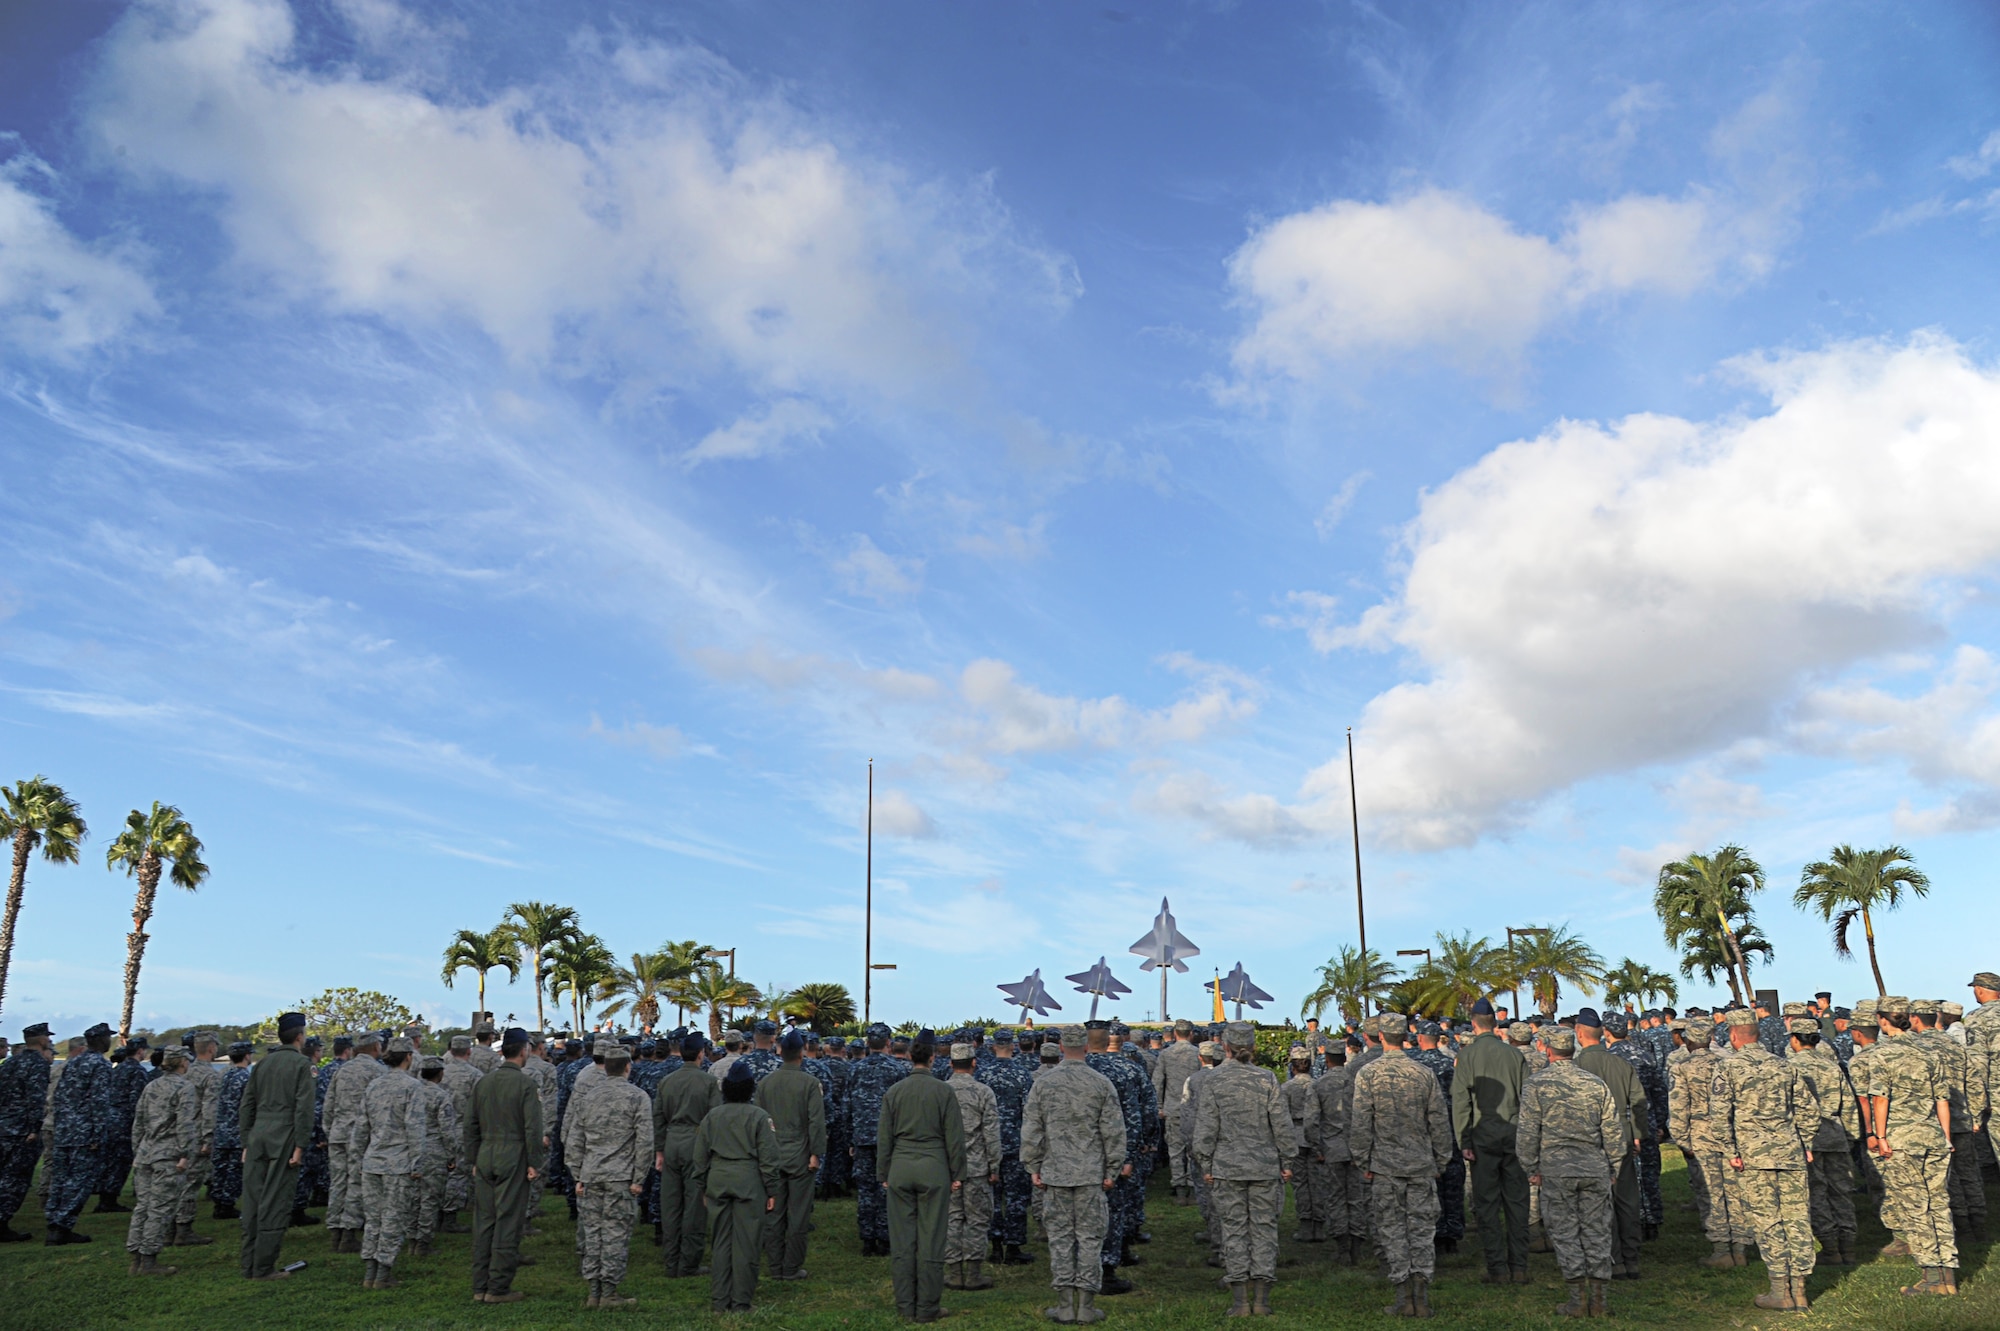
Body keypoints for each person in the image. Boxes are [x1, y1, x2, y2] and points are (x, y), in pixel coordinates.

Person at [1711, 1007, 1818, 1312]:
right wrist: (1805, 1142)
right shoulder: (1785, 1066)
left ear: (1733, 1036)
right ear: (1756, 1035)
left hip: (1753, 1157)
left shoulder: (1728, 1068)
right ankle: (1799, 1290)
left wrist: (1731, 1152)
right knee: (1797, 1219)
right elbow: (1809, 1111)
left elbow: (1720, 1117)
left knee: (1768, 1222)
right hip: (1790, 1153)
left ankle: (1779, 1291)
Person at [1351, 1013, 1452, 1319]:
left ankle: (1403, 1297)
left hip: (1385, 1165)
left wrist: (1363, 1159)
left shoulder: (1368, 1074)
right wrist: (1441, 1159)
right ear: (1406, 1037)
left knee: (1393, 1231)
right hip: (1421, 1163)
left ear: (1381, 1036)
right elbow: (1438, 1120)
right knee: (1421, 1231)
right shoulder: (1423, 1072)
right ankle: (1420, 1298)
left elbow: (1360, 1123)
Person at [1022, 1024, 1124, 1326]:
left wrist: (1033, 1166)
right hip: (1090, 1174)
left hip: (1055, 1173)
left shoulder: (1044, 1083)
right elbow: (1114, 1133)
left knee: (1061, 1239)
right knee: (1090, 1240)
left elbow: (1032, 1129)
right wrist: (1112, 1170)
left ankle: (1065, 1305)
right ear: (1087, 1048)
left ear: (1062, 1047)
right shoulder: (1101, 1083)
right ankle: (1086, 1306)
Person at [1518, 1026, 1623, 1318]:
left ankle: (1577, 1299)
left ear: (1548, 1050)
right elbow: (1612, 1130)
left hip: (1556, 1169)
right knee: (1598, 1230)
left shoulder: (1536, 1084)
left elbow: (1527, 1133)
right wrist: (1614, 1165)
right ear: (1573, 1050)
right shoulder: (1595, 1084)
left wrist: (1530, 1167)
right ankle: (1599, 1299)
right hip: (1594, 1167)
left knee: (1565, 1233)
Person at [1866, 996, 1957, 1297]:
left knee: (1916, 1210)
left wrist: (1880, 1137)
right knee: (1938, 1206)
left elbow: (1881, 1098)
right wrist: (1945, 1138)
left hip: (1902, 1141)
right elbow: (1942, 1099)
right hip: (1933, 1138)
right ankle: (1948, 1277)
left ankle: (1932, 1279)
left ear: (1882, 1020)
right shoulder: (1930, 1052)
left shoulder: (1882, 1055)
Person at [877, 1034, 966, 1323]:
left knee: (903, 1242)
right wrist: (958, 1173)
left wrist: (884, 1172)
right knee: (931, 1240)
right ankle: (927, 1307)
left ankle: (905, 1305)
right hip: (934, 1168)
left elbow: (884, 1138)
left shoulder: (894, 1092)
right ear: (932, 1059)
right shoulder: (943, 1091)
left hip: (900, 1168)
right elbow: (954, 1137)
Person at [568, 1045, 653, 1308]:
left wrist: (577, 1174)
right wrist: (639, 1178)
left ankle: (594, 1292)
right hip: (621, 1177)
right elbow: (645, 1141)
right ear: (628, 1067)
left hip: (591, 1174)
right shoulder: (638, 1097)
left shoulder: (589, 1097)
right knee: (615, 1235)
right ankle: (609, 1293)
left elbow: (574, 1139)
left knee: (593, 1234)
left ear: (605, 1067)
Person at [1451, 999, 1529, 1284]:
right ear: (1495, 1024)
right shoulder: (1514, 1055)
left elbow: (1461, 1102)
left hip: (1482, 1136)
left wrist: (1464, 1140)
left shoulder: (1467, 1056)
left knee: (1486, 1204)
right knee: (1517, 1202)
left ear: (1473, 1024)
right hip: (1514, 1134)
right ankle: (1519, 1267)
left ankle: (1497, 1268)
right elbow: (1528, 1099)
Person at [466, 1026, 546, 1304]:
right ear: (524, 1050)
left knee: (484, 1221)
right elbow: (533, 1128)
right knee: (508, 1222)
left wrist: (474, 1158)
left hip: (486, 1153)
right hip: (513, 1154)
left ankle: (480, 1285)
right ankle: (498, 1287)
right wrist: (535, 1161)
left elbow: (470, 1126)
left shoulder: (483, 1082)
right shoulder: (526, 1084)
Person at [694, 1061, 779, 1315]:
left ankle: (720, 1301)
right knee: (747, 1244)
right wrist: (772, 1189)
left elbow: (699, 1157)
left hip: (718, 1180)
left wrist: (702, 1186)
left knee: (720, 1242)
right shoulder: (759, 1117)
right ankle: (741, 1302)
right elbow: (769, 1157)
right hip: (749, 1182)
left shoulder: (712, 1117)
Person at [237, 1013, 315, 1279]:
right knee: (275, 1202)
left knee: (253, 1202)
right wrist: (301, 1145)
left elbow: (247, 1105)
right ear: (299, 1036)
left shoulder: (262, 1064)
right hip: (284, 1135)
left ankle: (249, 1264)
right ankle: (263, 1268)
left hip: (259, 1133)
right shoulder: (302, 1065)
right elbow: (304, 1108)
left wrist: (246, 1140)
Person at [1572, 1009, 1646, 1280]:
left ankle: (1612, 1258)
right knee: (1627, 1199)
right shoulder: (1621, 1064)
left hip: (1590, 1142)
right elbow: (1638, 1101)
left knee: (1599, 1202)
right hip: (1622, 1138)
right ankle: (1632, 1258)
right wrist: (1637, 1133)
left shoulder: (1576, 1068)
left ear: (1579, 1033)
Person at [754, 1029, 826, 1283]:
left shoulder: (766, 1083)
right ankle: (791, 1266)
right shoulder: (809, 1083)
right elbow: (816, 1122)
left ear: (780, 1051)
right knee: (798, 1214)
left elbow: (759, 1122)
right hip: (800, 1156)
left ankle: (775, 1265)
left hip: (772, 1156)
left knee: (773, 1213)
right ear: (803, 1051)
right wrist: (816, 1153)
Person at [355, 1037, 427, 1289]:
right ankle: (383, 1273)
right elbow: (415, 1128)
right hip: (398, 1163)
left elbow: (361, 1127)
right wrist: (418, 1164)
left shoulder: (374, 1085)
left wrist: (358, 1159)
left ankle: (370, 1272)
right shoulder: (412, 1087)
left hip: (372, 1162)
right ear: (408, 1057)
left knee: (373, 1218)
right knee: (393, 1218)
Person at [1787, 1017, 1858, 1265]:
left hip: (1809, 1139)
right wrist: (1850, 1136)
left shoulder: (1791, 1067)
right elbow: (1848, 1105)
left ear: (1795, 1039)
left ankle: (1830, 1248)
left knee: (1816, 1193)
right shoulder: (1832, 1067)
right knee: (1841, 1191)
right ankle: (1847, 1246)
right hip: (1836, 1134)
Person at [125, 1046, 199, 1277]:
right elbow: (185, 1124)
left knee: (143, 1207)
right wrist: (186, 1154)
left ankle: (136, 1258)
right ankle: (149, 1260)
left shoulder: (151, 1085)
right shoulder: (184, 1088)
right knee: (160, 1209)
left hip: (146, 1153)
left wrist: (139, 1150)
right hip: (168, 1155)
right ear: (182, 1063)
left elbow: (138, 1123)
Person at [655, 1031, 721, 1278]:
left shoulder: (667, 1081)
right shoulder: (708, 1082)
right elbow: (714, 1118)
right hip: (696, 1142)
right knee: (694, 1205)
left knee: (671, 1204)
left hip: (672, 1142)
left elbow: (658, 1117)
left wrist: (659, 1149)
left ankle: (671, 1260)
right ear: (701, 1054)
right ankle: (689, 1262)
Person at [44, 1021, 115, 1244]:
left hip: (65, 1129)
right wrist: (97, 1134)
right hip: (85, 1132)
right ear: (101, 1040)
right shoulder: (99, 1065)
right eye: (107, 1038)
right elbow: (100, 1102)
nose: (109, 1041)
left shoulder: (72, 1064)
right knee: (79, 1180)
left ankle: (54, 1220)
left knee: (61, 1179)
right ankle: (62, 1227)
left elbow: (60, 1097)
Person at [942, 1040, 1000, 1291]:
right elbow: (991, 1133)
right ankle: (974, 1273)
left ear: (951, 1064)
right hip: (977, 1166)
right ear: (974, 1063)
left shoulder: (941, 1091)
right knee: (977, 1219)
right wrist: (994, 1165)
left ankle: (954, 1272)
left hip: (947, 1166)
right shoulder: (984, 1092)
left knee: (952, 1219)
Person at [848, 1023, 909, 1256]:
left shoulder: (856, 1068)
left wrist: (850, 1139)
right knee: (887, 1187)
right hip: (890, 1138)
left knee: (865, 1190)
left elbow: (848, 1104)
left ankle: (868, 1238)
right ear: (888, 1043)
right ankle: (884, 1237)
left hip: (862, 1136)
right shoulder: (898, 1069)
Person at [322, 1029, 386, 1252]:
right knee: (356, 1183)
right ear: (376, 1047)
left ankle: (335, 1231)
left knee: (338, 1182)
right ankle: (349, 1233)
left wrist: (330, 1130)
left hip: (338, 1133)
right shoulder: (378, 1071)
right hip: (360, 1136)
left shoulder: (342, 1070)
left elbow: (328, 1105)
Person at [979, 1028, 1036, 1265]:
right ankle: (1013, 1247)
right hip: (1016, 1143)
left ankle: (995, 1245)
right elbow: (1030, 1112)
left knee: (992, 1197)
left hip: (988, 1143)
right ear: (1012, 1046)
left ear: (993, 1047)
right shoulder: (1023, 1075)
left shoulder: (982, 1075)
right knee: (1016, 1198)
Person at [1309, 1040, 1364, 1266]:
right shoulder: (1356, 1082)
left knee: (1335, 1199)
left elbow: (1311, 1122)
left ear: (1328, 1060)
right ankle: (1357, 1247)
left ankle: (1342, 1248)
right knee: (1356, 1198)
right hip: (1356, 1149)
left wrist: (1317, 1148)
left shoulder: (1319, 1085)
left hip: (1331, 1150)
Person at [0, 1022, 53, 1243]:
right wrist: (34, 1128)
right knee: (16, 1179)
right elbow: (36, 1098)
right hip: (22, 1130)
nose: (49, 1041)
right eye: (47, 1038)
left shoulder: (10, 1063)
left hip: (5, 1126)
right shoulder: (38, 1064)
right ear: (41, 1041)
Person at [408, 1057, 457, 1256]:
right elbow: (447, 1129)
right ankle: (423, 1243)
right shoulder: (440, 1095)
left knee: (414, 1198)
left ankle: (411, 1239)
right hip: (434, 1152)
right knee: (430, 1199)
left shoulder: (411, 1091)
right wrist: (452, 1154)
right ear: (440, 1073)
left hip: (412, 1151)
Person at [1155, 1020, 1202, 1206]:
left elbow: (1158, 1082)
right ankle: (1191, 1188)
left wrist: (1159, 1106)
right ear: (1191, 1034)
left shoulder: (1166, 1054)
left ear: (1175, 1034)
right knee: (1193, 1151)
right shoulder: (1198, 1054)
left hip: (1172, 1108)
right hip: (1194, 1108)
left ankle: (1180, 1190)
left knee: (1175, 1151)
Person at [1277, 1046, 1322, 1242]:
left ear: (1292, 1066)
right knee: (1318, 1183)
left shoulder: (1286, 1088)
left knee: (1301, 1184)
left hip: (1295, 1136)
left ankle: (1305, 1225)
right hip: (1316, 1137)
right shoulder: (1317, 1085)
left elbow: (1281, 1117)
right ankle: (1319, 1225)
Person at [439, 1037, 483, 1234]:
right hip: (462, 1129)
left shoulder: (440, 1072)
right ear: (468, 1052)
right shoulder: (474, 1075)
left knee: (440, 1174)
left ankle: (436, 1213)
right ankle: (450, 1217)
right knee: (458, 1174)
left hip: (439, 1129)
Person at [209, 1042, 253, 1221]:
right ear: (247, 1056)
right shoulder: (245, 1078)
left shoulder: (224, 1076)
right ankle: (227, 1205)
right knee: (235, 1171)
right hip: (237, 1131)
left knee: (220, 1169)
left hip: (221, 1130)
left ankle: (218, 1203)